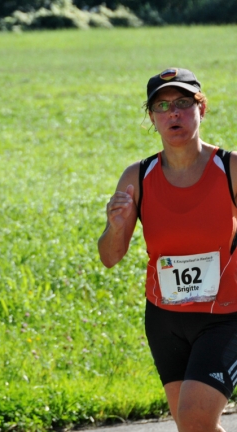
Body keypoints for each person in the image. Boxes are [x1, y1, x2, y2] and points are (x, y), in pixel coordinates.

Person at [98, 68, 237, 432]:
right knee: (192, 425)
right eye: (162, 106)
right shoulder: (138, 177)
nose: (173, 113)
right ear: (152, 118)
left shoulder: (231, 168)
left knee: (194, 417)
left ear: (201, 109)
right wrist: (116, 225)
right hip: (165, 319)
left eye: (183, 103)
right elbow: (110, 257)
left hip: (225, 316)